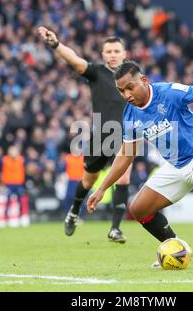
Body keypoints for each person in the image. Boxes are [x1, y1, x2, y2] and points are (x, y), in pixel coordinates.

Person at [87, 61, 193, 270]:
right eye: (121, 91)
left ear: (144, 81)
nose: (126, 95)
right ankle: (176, 248)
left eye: (130, 87)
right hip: (175, 164)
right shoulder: (130, 114)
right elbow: (126, 156)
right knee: (138, 209)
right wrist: (101, 188)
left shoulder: (168, 92)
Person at [38, 27, 132, 243]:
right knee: (89, 180)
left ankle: (115, 229)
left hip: (126, 135)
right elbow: (75, 60)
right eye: (108, 51)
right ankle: (74, 211)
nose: (113, 54)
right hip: (101, 135)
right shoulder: (97, 72)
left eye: (116, 51)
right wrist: (55, 44)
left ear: (124, 53)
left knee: (124, 177)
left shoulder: (134, 77)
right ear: (103, 55)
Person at [1, 145, 26, 225]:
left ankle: (21, 217)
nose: (13, 152)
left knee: (20, 201)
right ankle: (6, 218)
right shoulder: (5, 159)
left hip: (18, 183)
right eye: (12, 151)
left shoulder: (21, 159)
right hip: (9, 183)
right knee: (8, 200)